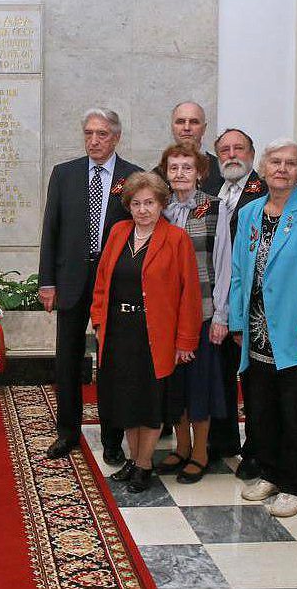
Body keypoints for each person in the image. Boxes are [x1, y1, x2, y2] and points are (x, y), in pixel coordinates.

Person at [229, 138, 297, 518]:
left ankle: (294, 483)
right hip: (257, 330)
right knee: (261, 407)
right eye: (275, 161)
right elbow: (240, 272)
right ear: (263, 166)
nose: (282, 168)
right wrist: (238, 323)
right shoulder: (250, 213)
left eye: (291, 163)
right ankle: (270, 472)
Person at [39, 108, 141, 465]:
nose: (94, 141)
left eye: (101, 134)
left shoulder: (133, 176)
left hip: (116, 282)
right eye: (89, 133)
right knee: (66, 358)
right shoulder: (64, 174)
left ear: (116, 137)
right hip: (70, 280)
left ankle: (113, 437)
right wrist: (47, 281)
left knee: (112, 360)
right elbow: (50, 229)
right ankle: (67, 431)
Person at [90, 171, 202, 493]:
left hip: (156, 333)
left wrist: (185, 340)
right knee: (127, 400)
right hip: (118, 332)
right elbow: (102, 283)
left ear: (161, 203)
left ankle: (144, 464)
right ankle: (133, 459)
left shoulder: (176, 238)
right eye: (137, 203)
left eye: (149, 203)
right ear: (129, 206)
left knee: (150, 402)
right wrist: (99, 322)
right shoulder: (117, 233)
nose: (143, 210)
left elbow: (189, 294)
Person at [156, 144, 231, 484]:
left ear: (200, 172)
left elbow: (224, 264)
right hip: (168, 314)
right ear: (166, 173)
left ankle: (200, 451)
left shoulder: (217, 209)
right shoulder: (161, 210)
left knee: (201, 384)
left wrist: (220, 315)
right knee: (176, 385)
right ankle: (181, 445)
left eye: (187, 168)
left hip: (202, 312)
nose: (180, 174)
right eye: (174, 168)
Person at [207, 128, 267, 480]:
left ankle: (256, 451)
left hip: (249, 302)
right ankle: (225, 439)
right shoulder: (219, 191)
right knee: (222, 374)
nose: (231, 155)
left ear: (251, 153)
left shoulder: (261, 192)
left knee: (254, 381)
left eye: (238, 148)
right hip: (219, 300)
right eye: (224, 150)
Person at [162, 102, 223, 195]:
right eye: (181, 122)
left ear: (204, 128)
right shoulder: (158, 174)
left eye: (194, 122)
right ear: (172, 127)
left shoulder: (222, 170)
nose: (186, 128)